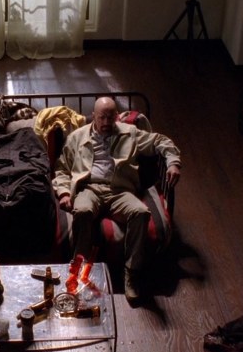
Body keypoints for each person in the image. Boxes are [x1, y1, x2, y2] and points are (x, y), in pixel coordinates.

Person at [53, 97, 181, 304]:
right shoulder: (77, 137)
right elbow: (61, 169)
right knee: (82, 211)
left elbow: (160, 141)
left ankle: (131, 272)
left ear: (116, 116)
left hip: (120, 190)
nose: (106, 122)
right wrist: (64, 192)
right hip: (90, 188)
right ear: (93, 116)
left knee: (141, 213)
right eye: (101, 117)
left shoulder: (130, 133)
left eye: (110, 117)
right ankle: (79, 270)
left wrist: (173, 162)